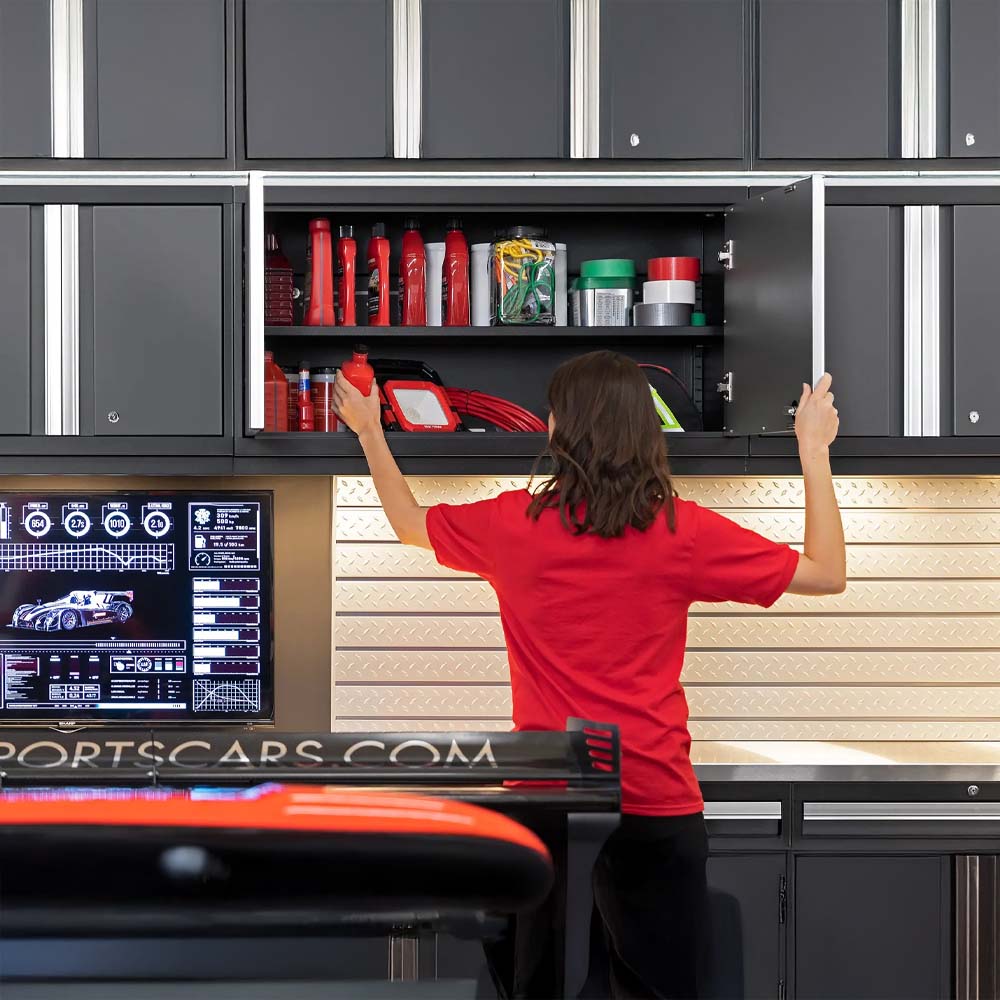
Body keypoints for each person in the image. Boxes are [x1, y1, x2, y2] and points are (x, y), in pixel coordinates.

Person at [333, 352, 845, 1000]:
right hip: (653, 800)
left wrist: (371, 430)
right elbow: (827, 572)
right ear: (643, 432)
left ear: (557, 432)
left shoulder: (514, 525)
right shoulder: (680, 530)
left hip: (547, 803)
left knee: (537, 989)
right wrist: (811, 448)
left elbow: (407, 524)